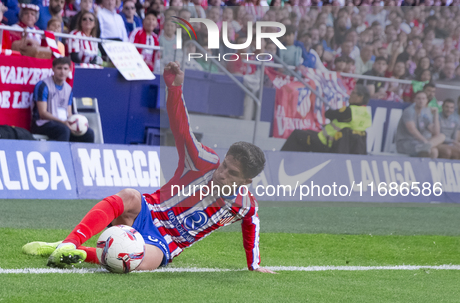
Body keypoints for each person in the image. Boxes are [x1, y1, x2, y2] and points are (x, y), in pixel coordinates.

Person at [23, 62, 275, 274]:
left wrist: (254, 265)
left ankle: (73, 251)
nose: (222, 173)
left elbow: (251, 225)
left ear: (245, 182)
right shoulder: (203, 162)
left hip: (166, 243)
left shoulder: (244, 205)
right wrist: (174, 88)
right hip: (148, 211)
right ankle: (70, 242)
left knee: (139, 262)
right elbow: (181, 129)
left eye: (232, 173)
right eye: (225, 166)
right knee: (130, 195)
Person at [281, 85, 372, 154]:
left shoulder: (348, 111)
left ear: (360, 97)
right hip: (344, 148)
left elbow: (328, 114)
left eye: (353, 93)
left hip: (326, 142)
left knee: (297, 135)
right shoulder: (367, 114)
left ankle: (279, 161)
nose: (350, 95)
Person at [29, 57, 95, 142]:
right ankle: (62, 154)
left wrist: (77, 123)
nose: (62, 72)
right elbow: (43, 114)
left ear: (69, 70)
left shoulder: (68, 89)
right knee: (64, 130)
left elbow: (69, 113)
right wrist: (63, 122)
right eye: (59, 68)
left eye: (65, 69)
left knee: (88, 133)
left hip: (63, 124)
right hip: (42, 124)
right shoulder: (43, 85)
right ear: (53, 69)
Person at [395, 91, 446, 158]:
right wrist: (424, 141)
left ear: (426, 100)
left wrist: (436, 115)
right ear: (414, 100)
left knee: (440, 139)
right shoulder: (409, 111)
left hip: (419, 143)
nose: (421, 101)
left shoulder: (424, 113)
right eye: (418, 98)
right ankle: (425, 147)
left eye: (423, 98)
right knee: (429, 150)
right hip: (406, 143)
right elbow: (412, 130)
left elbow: (436, 132)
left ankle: (426, 150)